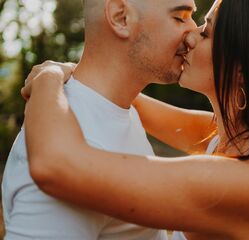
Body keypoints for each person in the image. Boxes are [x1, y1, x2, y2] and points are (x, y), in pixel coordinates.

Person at [22, 0, 249, 239]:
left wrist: (47, 80)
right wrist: (71, 68)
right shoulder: (229, 138)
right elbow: (127, 95)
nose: (191, 35)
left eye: (207, 31)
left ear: (242, 69)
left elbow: (54, 165)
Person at [2, 0, 198, 239]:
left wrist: (50, 76)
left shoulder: (119, 108)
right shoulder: (72, 145)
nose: (194, 32)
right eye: (180, 17)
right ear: (120, 17)